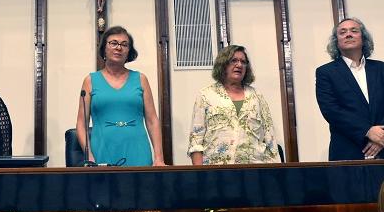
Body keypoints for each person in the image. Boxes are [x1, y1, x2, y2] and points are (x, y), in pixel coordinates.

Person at [315, 18, 384, 161]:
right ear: (336, 41)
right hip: (348, 151)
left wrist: (382, 137)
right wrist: (367, 131)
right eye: (342, 32)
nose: (348, 34)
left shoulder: (382, 68)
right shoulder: (326, 72)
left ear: (363, 38)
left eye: (354, 31)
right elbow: (331, 110)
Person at [76, 26, 165, 166]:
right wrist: (89, 156)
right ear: (104, 48)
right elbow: (81, 124)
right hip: (101, 152)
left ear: (129, 51)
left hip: (138, 151)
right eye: (113, 43)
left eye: (124, 44)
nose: (119, 47)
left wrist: (159, 158)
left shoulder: (141, 79)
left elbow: (152, 120)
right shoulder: (90, 81)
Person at [187, 45, 280, 165]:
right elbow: (196, 140)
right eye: (234, 60)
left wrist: (275, 172)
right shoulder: (205, 95)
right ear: (223, 64)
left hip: (253, 169)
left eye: (243, 62)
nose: (239, 65)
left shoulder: (257, 96)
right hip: (216, 170)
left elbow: (270, 138)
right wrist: (200, 173)